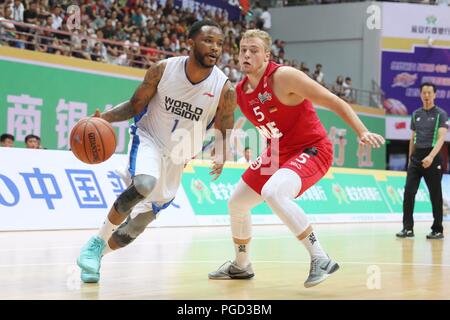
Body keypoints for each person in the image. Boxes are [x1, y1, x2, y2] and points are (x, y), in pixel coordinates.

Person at [208, 29, 385, 288]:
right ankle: (241, 265)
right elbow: (224, 122)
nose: (246, 54)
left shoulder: (284, 77)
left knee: (274, 192)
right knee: (236, 203)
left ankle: (320, 258)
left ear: (267, 55)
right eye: (243, 49)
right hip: (277, 152)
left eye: (254, 50)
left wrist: (362, 130)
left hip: (312, 149)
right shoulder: (239, 91)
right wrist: (221, 154)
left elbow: (333, 100)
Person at [76, 20, 236, 283]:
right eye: (208, 40)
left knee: (136, 227)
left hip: (178, 156)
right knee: (144, 184)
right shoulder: (163, 69)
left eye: (219, 43)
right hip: (149, 138)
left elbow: (225, 123)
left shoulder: (224, 88)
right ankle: (95, 242)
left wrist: (221, 150)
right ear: (190, 43)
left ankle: (95, 257)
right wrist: (104, 118)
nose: (215, 48)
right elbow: (135, 104)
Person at [396, 83, 448, 239]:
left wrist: (431, 157)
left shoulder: (441, 114)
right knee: (408, 193)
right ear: (420, 94)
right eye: (424, 92)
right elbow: (412, 138)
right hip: (416, 159)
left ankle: (437, 229)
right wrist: (410, 159)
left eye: (429, 93)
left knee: (435, 195)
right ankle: (408, 228)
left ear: (434, 95)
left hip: (432, 157)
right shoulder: (415, 114)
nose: (426, 95)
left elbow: (441, 139)